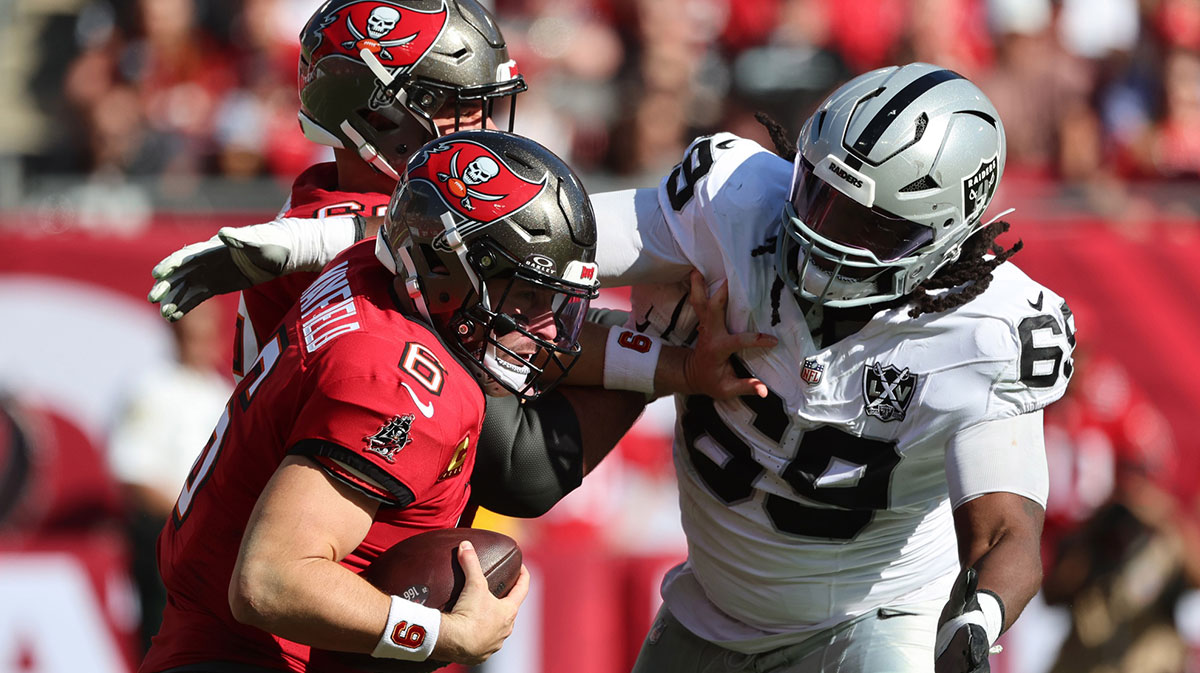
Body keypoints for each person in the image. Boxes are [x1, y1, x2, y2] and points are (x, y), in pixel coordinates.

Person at [145, 62, 1075, 672]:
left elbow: (1005, 528)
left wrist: (979, 620)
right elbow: (511, 228)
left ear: (950, 226)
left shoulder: (992, 332)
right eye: (820, 195)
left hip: (872, 619)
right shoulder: (736, 201)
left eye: (866, 222)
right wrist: (324, 235)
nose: (824, 230)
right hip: (712, 609)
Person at [138, 130, 599, 673]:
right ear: (448, 272)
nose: (545, 328)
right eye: (525, 297)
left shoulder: (368, 269)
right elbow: (269, 580)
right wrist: (441, 633)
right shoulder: (403, 383)